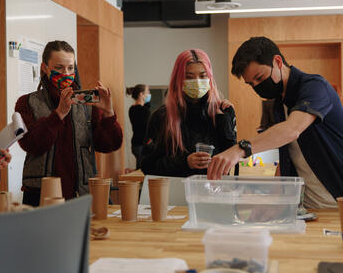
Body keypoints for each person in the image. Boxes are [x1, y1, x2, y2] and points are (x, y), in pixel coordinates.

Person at [208, 36, 343, 208]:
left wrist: (240, 150)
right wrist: (271, 202)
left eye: (259, 77)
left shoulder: (315, 87)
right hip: (309, 207)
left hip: (337, 204)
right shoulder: (278, 104)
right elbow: (288, 155)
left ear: (277, 61)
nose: (257, 86)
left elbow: (292, 129)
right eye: (251, 84)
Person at [15, 40, 123, 206]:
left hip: (81, 193)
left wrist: (108, 112)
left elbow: (109, 145)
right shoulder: (27, 102)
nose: (66, 73)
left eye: (70, 68)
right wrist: (59, 114)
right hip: (41, 195)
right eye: (59, 67)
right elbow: (31, 144)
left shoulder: (86, 102)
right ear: (45, 68)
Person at [141, 49, 236, 177]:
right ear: (177, 80)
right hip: (177, 191)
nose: (197, 81)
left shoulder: (222, 112)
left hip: (214, 190)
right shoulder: (162, 116)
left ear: (210, 77)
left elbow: (232, 160)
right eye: (189, 77)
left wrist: (225, 120)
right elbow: (147, 165)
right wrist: (185, 162)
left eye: (202, 76)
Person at [126, 84, 151, 169]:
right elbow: (146, 127)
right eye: (147, 92)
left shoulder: (132, 109)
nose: (149, 94)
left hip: (136, 143)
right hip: (141, 144)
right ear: (141, 94)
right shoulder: (142, 110)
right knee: (142, 171)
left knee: (140, 169)